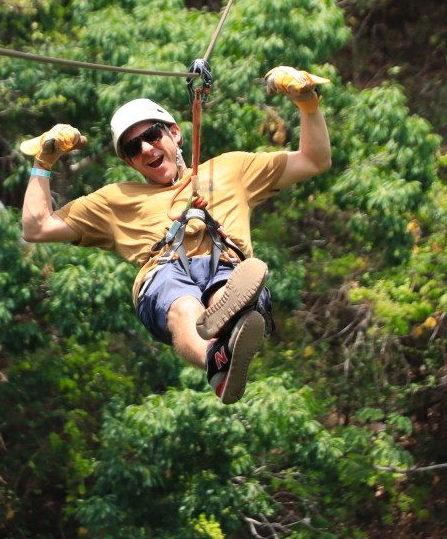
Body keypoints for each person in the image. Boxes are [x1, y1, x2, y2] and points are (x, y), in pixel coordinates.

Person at [21, 66, 331, 404]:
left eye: (152, 136)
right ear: (130, 161)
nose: (146, 149)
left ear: (175, 134)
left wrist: (307, 103)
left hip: (224, 263)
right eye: (132, 147)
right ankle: (215, 354)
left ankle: (230, 336)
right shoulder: (117, 199)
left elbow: (314, 160)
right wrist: (43, 161)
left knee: (226, 290)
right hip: (164, 272)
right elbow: (37, 226)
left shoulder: (230, 169)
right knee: (183, 305)